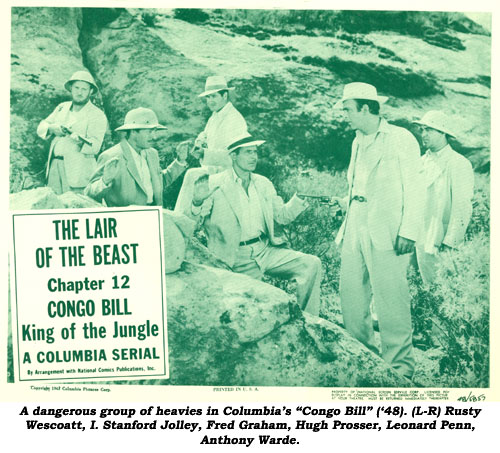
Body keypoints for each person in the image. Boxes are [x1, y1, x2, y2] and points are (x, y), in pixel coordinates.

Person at [334, 82, 424, 379]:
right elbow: (356, 185)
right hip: (354, 223)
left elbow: (415, 188)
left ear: (365, 108)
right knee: (351, 297)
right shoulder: (356, 140)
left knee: (391, 299)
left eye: (347, 109)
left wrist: (409, 230)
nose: (343, 114)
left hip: (387, 228)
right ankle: (363, 360)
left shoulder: (401, 138)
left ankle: (400, 371)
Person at [180, 134, 322, 316]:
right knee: (251, 309)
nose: (254, 157)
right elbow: (193, 225)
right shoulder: (214, 184)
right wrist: (197, 202)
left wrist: (300, 196)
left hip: (266, 251)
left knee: (311, 264)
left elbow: (281, 217)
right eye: (248, 152)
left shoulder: (263, 183)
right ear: (233, 156)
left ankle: (306, 322)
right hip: (236, 257)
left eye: (255, 152)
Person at [412, 110, 474, 284]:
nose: (423, 134)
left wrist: (451, 243)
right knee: (420, 289)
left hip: (441, 241)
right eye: (422, 130)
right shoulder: (420, 162)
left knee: (444, 290)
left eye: (429, 130)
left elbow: (462, 206)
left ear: (443, 133)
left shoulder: (458, 163)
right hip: (417, 239)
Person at [84, 107, 187, 207]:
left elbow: (158, 183)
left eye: (155, 131)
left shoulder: (152, 154)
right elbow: (89, 195)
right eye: (149, 131)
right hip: (125, 220)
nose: (154, 137)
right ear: (133, 131)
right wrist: (104, 181)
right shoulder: (110, 156)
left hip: (154, 216)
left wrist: (180, 161)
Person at [174, 75, 248, 212]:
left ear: (224, 96)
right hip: (213, 170)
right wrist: (200, 141)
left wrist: (205, 154)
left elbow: (235, 157)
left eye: (214, 96)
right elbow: (205, 133)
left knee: (192, 176)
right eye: (208, 97)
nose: (210, 101)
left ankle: (181, 219)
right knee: (191, 175)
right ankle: (181, 218)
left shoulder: (235, 119)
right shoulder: (215, 116)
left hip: (229, 174)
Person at [37, 70, 108, 194]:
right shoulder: (62, 107)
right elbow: (42, 126)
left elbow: (95, 146)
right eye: (76, 88)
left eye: (84, 89)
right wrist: (52, 128)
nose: (79, 92)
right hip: (55, 165)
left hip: (78, 170)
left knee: (76, 206)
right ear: (71, 88)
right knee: (54, 204)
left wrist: (80, 140)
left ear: (91, 91)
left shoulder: (97, 115)